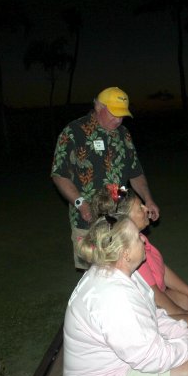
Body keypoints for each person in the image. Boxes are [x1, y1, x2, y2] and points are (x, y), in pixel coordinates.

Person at [63, 215, 188, 376]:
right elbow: (154, 358)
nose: (143, 239)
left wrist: (187, 333)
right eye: (137, 237)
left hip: (119, 362)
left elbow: (151, 314)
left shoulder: (122, 273)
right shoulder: (115, 298)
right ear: (125, 254)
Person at [51, 86, 160, 270]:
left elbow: (135, 173)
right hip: (87, 218)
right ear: (98, 107)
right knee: (95, 273)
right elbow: (59, 175)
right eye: (114, 114)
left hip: (121, 218)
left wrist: (148, 200)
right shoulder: (73, 132)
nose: (118, 120)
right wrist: (81, 204)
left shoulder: (123, 134)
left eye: (122, 115)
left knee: (125, 269)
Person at [90, 185, 188, 332]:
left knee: (187, 299)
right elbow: (154, 294)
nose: (146, 209)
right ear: (125, 220)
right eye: (140, 208)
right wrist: (184, 314)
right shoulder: (130, 252)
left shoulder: (139, 238)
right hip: (144, 312)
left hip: (156, 301)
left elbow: (161, 268)